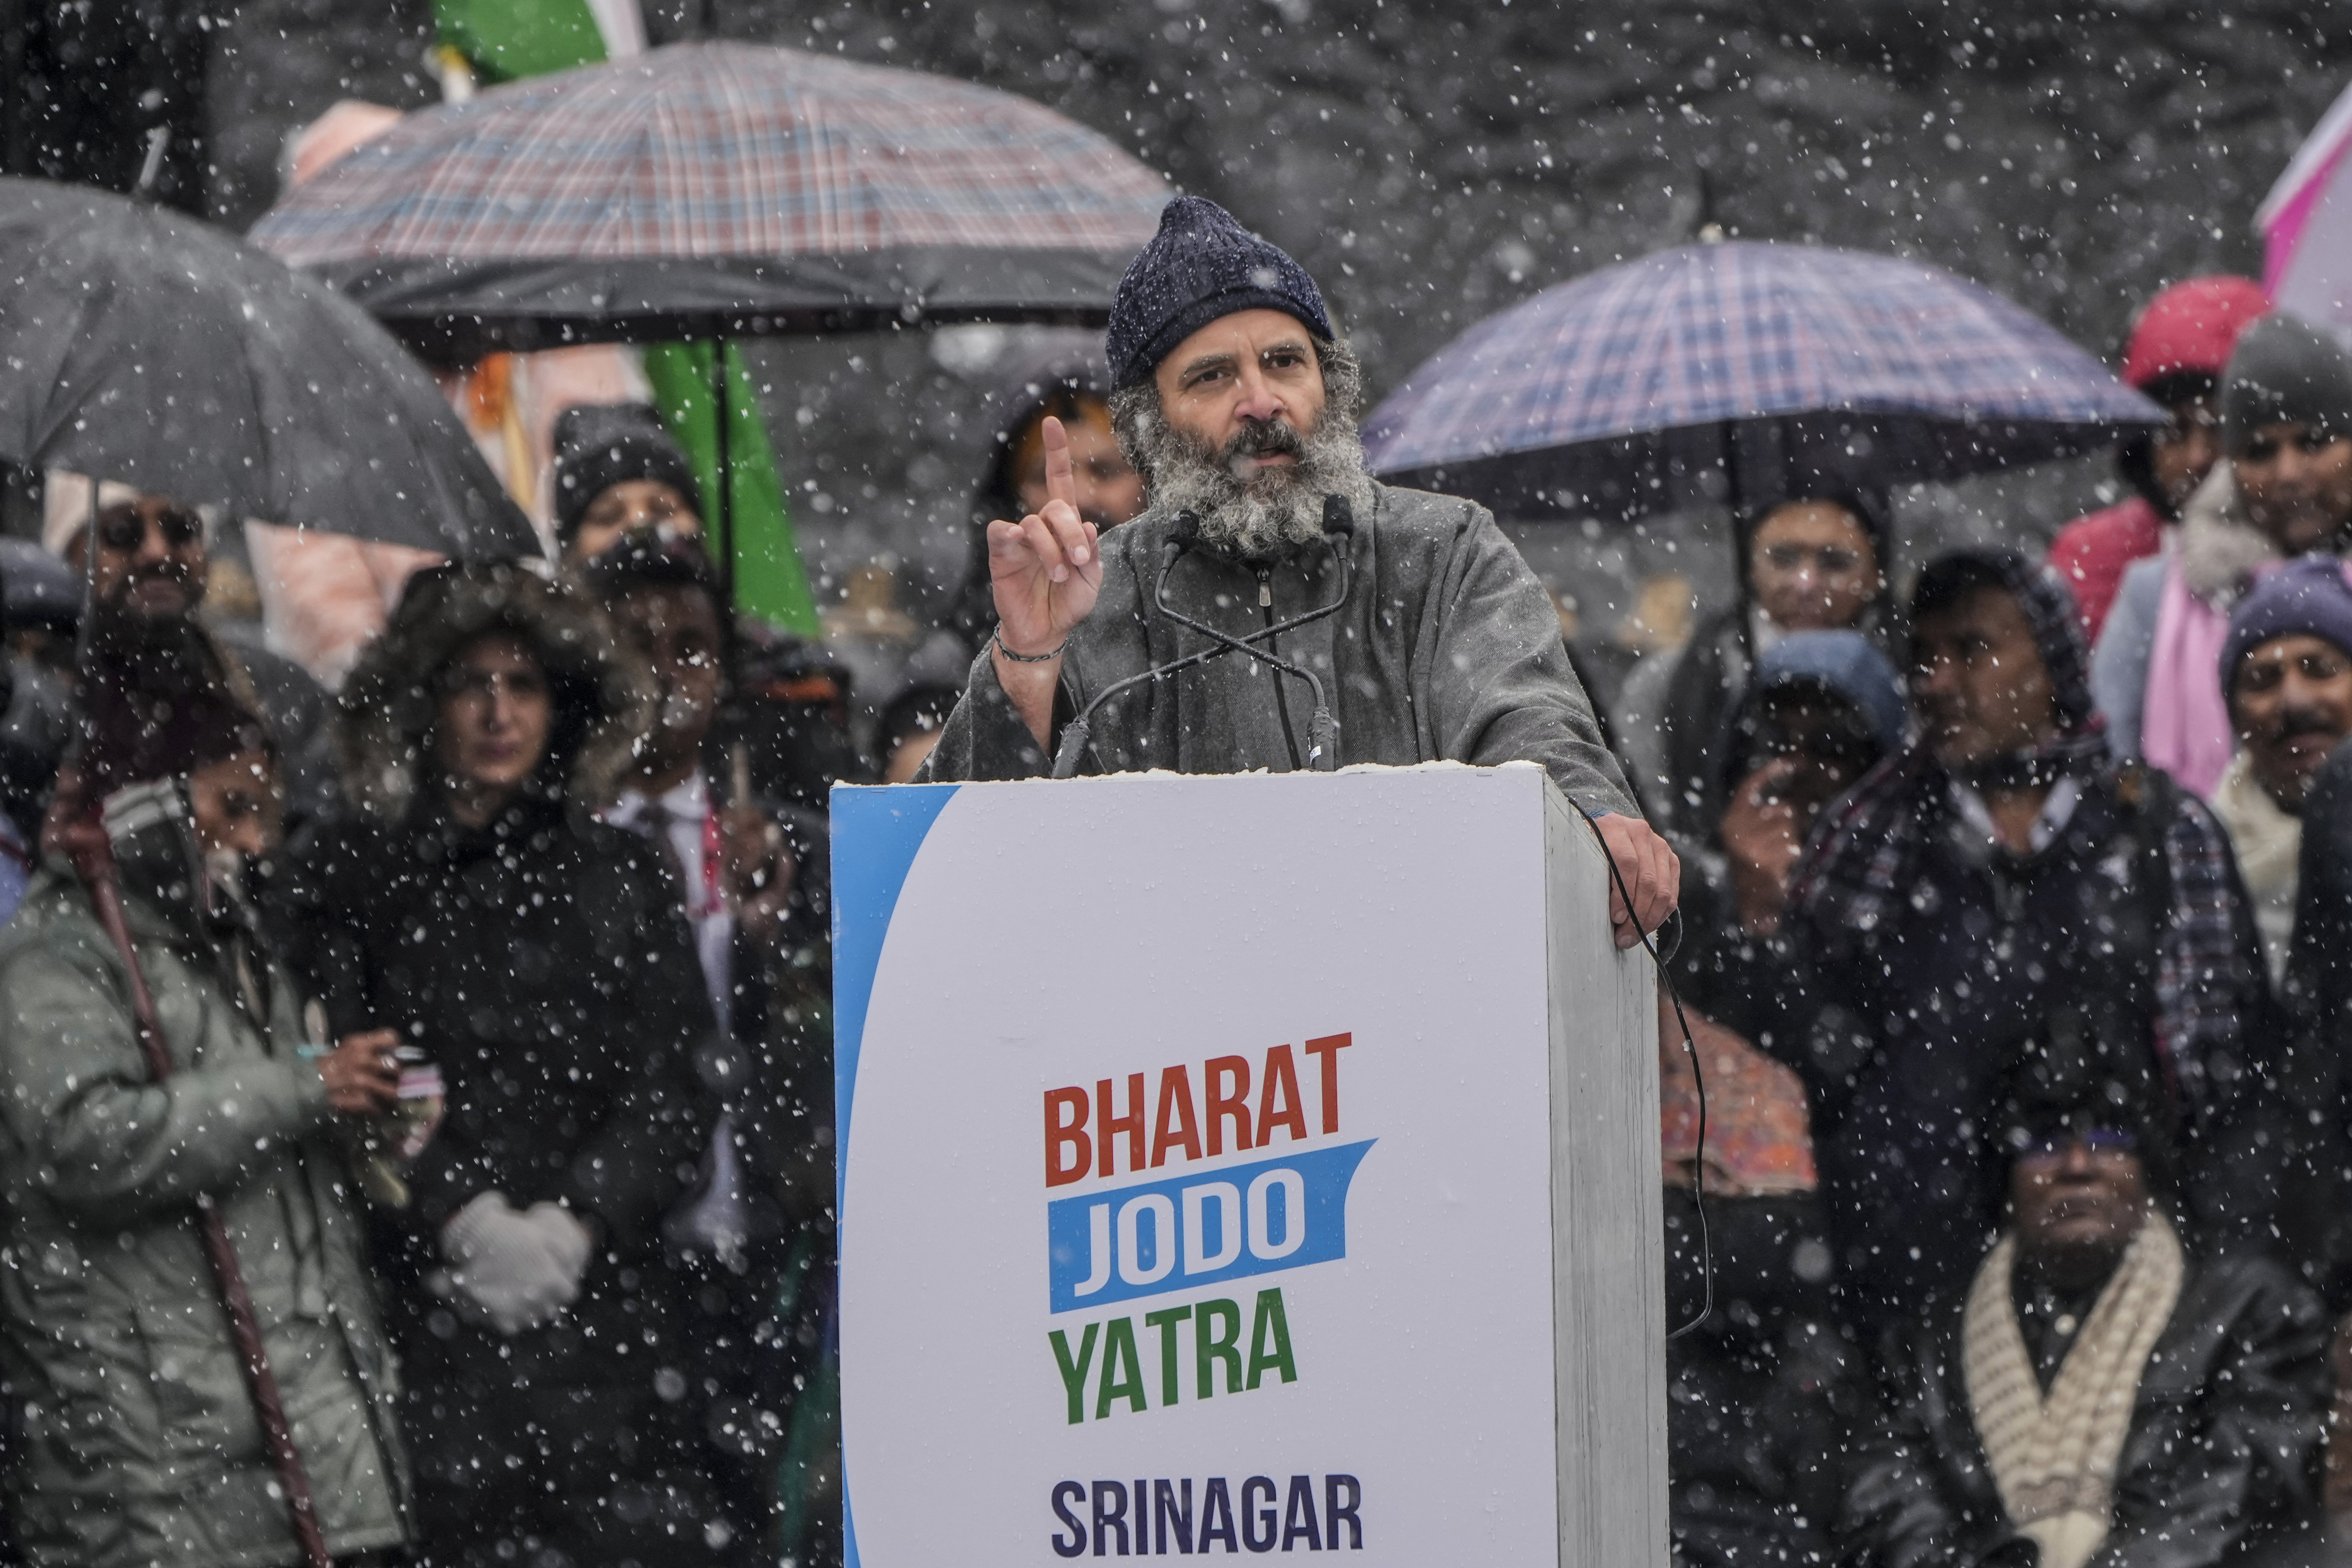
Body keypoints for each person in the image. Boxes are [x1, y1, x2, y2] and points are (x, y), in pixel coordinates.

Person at [920, 195, 1677, 945]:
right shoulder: (1092, 591)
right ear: (1151, 424)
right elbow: (942, 886)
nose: (1259, 401)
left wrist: (1589, 821)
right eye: (1211, 377)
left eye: (1284, 362)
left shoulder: (1444, 550)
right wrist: (1025, 660)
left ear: (1330, 384)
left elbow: (1533, 726)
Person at [271, 564, 732, 1567]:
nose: (495, 711)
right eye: (468, 682)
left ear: (561, 703)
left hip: (610, 1328)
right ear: (421, 700)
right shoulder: (353, 869)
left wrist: (580, 1217)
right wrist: (451, 1211)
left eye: (521, 684)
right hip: (428, 1316)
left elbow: (678, 1081)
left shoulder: (619, 872)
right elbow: (331, 1059)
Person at [1751, 547, 2270, 1346]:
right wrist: (1753, 923)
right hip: (1912, 1301)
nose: (1937, 682)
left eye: (1972, 650)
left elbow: (2221, 1091)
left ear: (2053, 664)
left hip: (2142, 1305)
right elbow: (1808, 1064)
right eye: (1921, 657)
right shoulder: (1865, 840)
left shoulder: (2159, 834)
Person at [0, 644, 411, 1567]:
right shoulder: (55, 960)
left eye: (266, 808)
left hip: (294, 1465)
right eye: (233, 806)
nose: (256, 841)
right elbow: (81, 1145)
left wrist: (351, 1120)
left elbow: (272, 1176)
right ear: (150, 800)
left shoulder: (232, 951)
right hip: (159, 1477)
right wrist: (300, 1088)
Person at [586, 535, 839, 1561]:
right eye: (635, 644)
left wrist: (780, 935)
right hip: (623, 1258)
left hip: (762, 1247)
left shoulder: (780, 840)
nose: (664, 671)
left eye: (688, 646)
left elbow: (829, 1029)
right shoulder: (569, 841)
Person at [1841, 1049, 2329, 1568]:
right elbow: (1887, 1510)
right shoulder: (1923, 1344)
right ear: (2005, 1181)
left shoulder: (2251, 1306)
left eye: (2110, 1139)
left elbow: (2245, 1495)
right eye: (2045, 1142)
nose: (2078, 1166)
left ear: (2149, 1169)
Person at [2094, 313, 2352, 797]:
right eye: (2259, 452)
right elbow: (2111, 773)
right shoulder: (2153, 598)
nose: (2289, 472)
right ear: (2231, 467)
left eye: (2313, 442)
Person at [39, 474, 341, 846]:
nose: (158, 552)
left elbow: (314, 856)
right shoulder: (33, 698)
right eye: (122, 532)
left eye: (181, 528)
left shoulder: (278, 691)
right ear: (70, 551)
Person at [1616, 490, 1892, 838]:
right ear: (1750, 568)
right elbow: (1644, 827)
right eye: (1783, 558)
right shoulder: (1667, 682)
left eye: (1834, 562)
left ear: (1875, 575)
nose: (1806, 583)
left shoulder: (1914, 673)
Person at [2048, 277, 2271, 642]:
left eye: (2219, 429)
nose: (2199, 457)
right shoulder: (2091, 560)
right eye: (2174, 431)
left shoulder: (2312, 554)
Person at [942, 339, 1148, 657]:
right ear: (1013, 496)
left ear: (1151, 482)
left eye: (1105, 471)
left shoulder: (1205, 630)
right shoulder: (958, 665)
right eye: (1043, 477)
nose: (1078, 500)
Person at [2209, 556, 2352, 985]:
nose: (2294, 701)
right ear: (2235, 717)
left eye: (2319, 669)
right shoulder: (2202, 854)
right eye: (2263, 679)